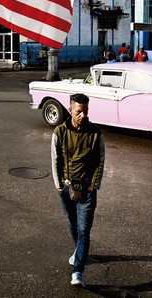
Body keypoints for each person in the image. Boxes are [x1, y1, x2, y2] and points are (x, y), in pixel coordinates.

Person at [51, 93, 105, 288]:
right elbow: (55, 158)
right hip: (66, 188)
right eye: (79, 111)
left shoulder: (95, 133)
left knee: (84, 230)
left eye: (86, 111)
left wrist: (94, 184)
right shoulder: (59, 132)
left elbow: (100, 160)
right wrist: (58, 185)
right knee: (72, 223)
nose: (83, 115)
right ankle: (79, 251)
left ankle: (78, 271)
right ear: (70, 110)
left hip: (87, 190)